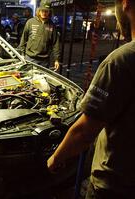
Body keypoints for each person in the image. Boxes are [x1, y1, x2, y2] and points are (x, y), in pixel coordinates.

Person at [47, 0, 135, 198]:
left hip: (115, 183)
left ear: (126, 4)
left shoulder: (120, 61)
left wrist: (54, 159)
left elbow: (84, 132)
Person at [19, 0, 60, 70]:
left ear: (49, 12)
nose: (44, 13)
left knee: (41, 79)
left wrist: (56, 59)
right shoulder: (30, 22)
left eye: (46, 11)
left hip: (45, 61)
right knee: (28, 78)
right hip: (30, 58)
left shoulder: (52, 25)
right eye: (42, 10)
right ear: (39, 10)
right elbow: (23, 39)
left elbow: (55, 43)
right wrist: (22, 54)